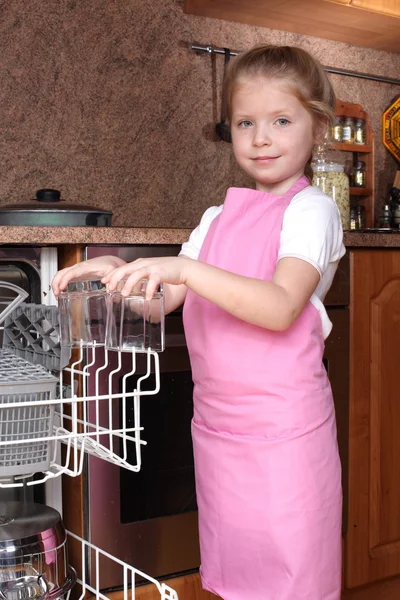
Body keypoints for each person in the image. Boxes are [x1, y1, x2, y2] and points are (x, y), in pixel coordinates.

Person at [52, 44, 345, 600]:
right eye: (245, 122)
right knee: (236, 581)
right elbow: (163, 303)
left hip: (285, 439)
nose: (261, 138)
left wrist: (186, 266)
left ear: (319, 127)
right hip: (219, 433)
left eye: (281, 121)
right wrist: (123, 274)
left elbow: (282, 304)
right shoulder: (217, 218)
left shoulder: (313, 212)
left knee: (291, 582)